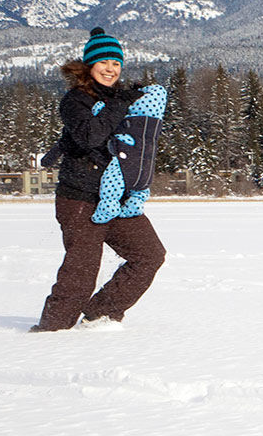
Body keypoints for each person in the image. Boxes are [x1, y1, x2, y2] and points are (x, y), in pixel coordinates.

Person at [31, 27, 166, 332]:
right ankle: (49, 334)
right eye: (104, 62)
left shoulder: (122, 98)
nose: (111, 69)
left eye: (116, 63)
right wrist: (121, 104)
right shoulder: (75, 100)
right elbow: (93, 136)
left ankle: (100, 315)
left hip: (116, 199)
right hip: (79, 199)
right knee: (80, 275)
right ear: (89, 65)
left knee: (149, 255)